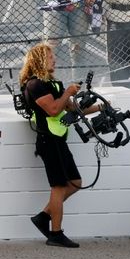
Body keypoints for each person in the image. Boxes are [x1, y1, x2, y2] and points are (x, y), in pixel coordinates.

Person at [21, 43, 101, 248]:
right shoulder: (34, 85)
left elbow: (71, 107)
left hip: (59, 140)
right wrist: (68, 91)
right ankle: (55, 234)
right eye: (49, 57)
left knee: (75, 182)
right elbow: (54, 110)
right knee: (58, 186)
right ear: (38, 60)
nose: (54, 60)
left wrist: (101, 106)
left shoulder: (52, 84)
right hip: (48, 141)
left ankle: (43, 217)